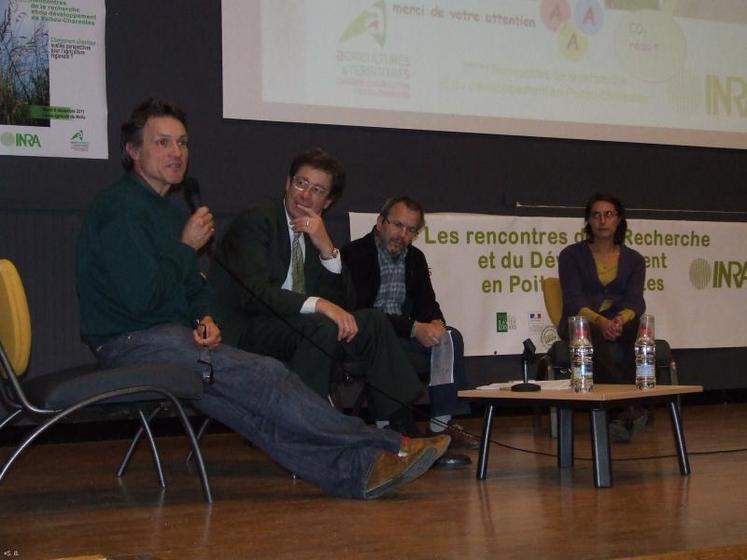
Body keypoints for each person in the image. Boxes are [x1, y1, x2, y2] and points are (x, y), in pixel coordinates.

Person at [76, 97, 449, 500]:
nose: (177, 153)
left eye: (182, 143)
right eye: (163, 143)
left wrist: (204, 314)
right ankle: (390, 443)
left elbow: (192, 285)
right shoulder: (119, 209)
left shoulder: (167, 212)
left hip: (173, 337)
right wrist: (185, 247)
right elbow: (139, 301)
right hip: (131, 343)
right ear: (133, 151)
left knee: (257, 413)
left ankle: (360, 473)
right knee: (269, 375)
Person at [210, 148, 425, 436]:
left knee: (372, 322)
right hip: (250, 326)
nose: (305, 195)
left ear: (328, 201)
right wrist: (320, 304)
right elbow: (255, 294)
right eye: (301, 183)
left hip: (300, 328)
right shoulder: (257, 221)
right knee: (319, 324)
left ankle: (402, 428)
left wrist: (327, 249)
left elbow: (346, 304)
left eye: (317, 190)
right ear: (287, 184)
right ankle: (308, 431)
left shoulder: (314, 231)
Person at [341, 196, 478, 453]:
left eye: (410, 230)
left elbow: (427, 301)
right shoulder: (354, 254)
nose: (402, 235)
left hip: (403, 333)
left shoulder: (414, 258)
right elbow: (361, 312)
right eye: (398, 225)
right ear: (380, 222)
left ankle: (441, 426)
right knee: (387, 347)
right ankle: (389, 427)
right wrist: (415, 328)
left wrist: (437, 323)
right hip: (368, 336)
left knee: (450, 338)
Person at [557, 193, 648, 441]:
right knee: (591, 331)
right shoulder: (571, 255)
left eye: (609, 214)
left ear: (619, 220)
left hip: (617, 320)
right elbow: (574, 300)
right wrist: (601, 320)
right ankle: (627, 407)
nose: (602, 220)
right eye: (596, 215)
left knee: (635, 327)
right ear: (588, 221)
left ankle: (620, 414)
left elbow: (635, 301)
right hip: (579, 321)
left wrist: (619, 320)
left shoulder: (635, 260)